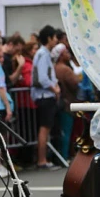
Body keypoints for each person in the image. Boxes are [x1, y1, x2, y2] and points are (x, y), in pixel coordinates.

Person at [31, 25, 60, 169]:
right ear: (49, 38)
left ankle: (43, 159)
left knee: (46, 128)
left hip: (45, 95)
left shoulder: (44, 53)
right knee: (44, 128)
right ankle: (42, 160)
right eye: (54, 37)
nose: (56, 40)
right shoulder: (43, 54)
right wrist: (54, 88)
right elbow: (43, 77)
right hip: (44, 96)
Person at [52, 43, 82, 161]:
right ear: (60, 55)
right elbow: (75, 85)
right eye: (66, 52)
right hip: (68, 104)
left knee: (62, 131)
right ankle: (64, 156)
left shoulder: (55, 68)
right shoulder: (65, 69)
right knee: (67, 131)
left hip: (61, 102)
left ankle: (63, 155)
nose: (68, 54)